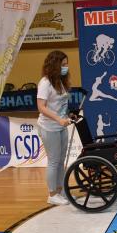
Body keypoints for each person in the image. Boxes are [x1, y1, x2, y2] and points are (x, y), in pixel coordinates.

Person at [36, 50, 72, 205]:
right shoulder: (45, 83)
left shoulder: (61, 81)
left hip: (60, 126)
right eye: (63, 64)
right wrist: (58, 119)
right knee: (54, 161)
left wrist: (68, 116)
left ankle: (61, 190)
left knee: (61, 160)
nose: (66, 67)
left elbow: (60, 104)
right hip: (49, 127)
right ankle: (52, 195)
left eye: (66, 64)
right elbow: (41, 107)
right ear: (55, 65)